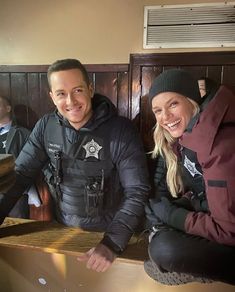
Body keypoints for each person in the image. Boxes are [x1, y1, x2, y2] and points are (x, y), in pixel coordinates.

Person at [0, 59, 150, 272]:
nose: (70, 100)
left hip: (112, 235)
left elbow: (137, 191)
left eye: (77, 90)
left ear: (90, 89)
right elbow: (21, 174)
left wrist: (112, 243)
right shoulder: (46, 127)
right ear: (52, 97)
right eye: (61, 93)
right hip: (64, 229)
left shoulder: (121, 131)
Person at [144, 69, 235, 285]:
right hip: (220, 223)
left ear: (192, 101)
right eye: (158, 110)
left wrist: (173, 215)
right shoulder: (187, 137)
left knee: (163, 249)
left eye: (173, 104)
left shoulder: (218, 145)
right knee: (160, 230)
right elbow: (203, 195)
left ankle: (199, 270)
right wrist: (172, 208)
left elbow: (228, 231)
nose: (165, 117)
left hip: (229, 233)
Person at [0, 95, 40, 218]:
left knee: (17, 228)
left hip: (14, 190)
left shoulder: (22, 133)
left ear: (8, 108)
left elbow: (32, 161)